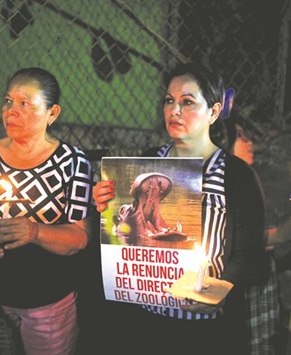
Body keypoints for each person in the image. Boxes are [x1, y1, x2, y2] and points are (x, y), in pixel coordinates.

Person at [93, 62, 270, 354]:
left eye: (187, 102)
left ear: (213, 112)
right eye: (169, 100)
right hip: (145, 321)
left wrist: (220, 292)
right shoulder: (146, 163)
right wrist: (105, 204)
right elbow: (122, 234)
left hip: (205, 328)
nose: (174, 111)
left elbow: (249, 255)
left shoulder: (237, 176)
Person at [0, 67, 96, 355]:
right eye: (8, 101)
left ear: (52, 113)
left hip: (47, 302)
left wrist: (35, 232)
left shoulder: (74, 163)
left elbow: (79, 238)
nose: (12, 110)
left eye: (25, 103)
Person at [220, 114, 291, 355]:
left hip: (260, 278)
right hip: (241, 283)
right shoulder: (222, 185)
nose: (249, 141)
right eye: (240, 136)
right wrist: (280, 235)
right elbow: (230, 240)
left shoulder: (248, 178)